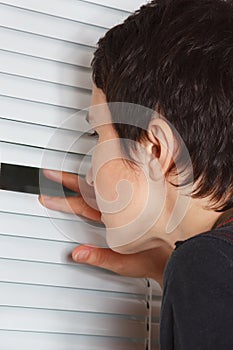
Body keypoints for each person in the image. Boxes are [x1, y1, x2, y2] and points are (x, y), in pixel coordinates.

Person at [39, 0, 233, 348]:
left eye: (98, 134)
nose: (91, 175)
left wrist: (194, 274)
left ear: (155, 148)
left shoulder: (209, 267)